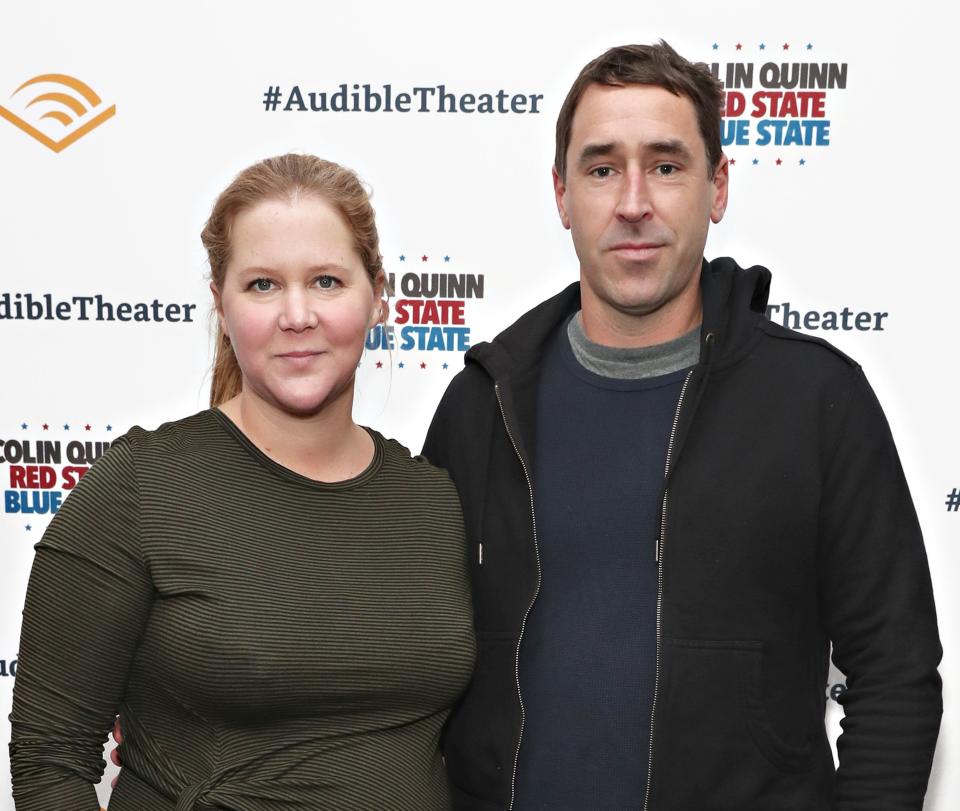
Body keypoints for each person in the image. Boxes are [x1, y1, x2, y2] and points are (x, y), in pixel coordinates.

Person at [423, 42, 942, 810]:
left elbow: (895, 672)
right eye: (602, 169)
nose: (634, 201)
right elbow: (414, 671)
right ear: (563, 195)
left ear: (718, 186)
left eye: (666, 165)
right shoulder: (483, 405)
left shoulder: (817, 400)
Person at [9, 154, 476, 810]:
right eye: (262, 285)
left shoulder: (434, 501)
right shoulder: (141, 487)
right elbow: (49, 754)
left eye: (326, 281)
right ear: (220, 303)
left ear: (378, 297)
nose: (296, 314)